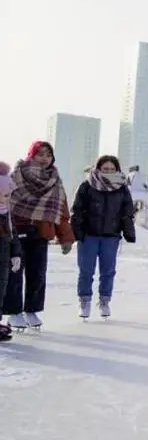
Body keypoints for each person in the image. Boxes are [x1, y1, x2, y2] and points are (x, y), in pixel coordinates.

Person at [3, 141, 75, 330]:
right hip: (16, 233)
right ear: (31, 155)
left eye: (48, 155)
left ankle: (31, 310)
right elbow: (4, 204)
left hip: (42, 232)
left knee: (37, 274)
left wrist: (65, 237)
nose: (44, 158)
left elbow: (61, 211)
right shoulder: (17, 175)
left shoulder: (55, 181)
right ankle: (14, 312)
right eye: (40, 154)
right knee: (14, 273)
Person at [70, 155, 136, 320]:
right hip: (89, 236)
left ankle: (104, 301)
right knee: (86, 271)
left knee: (108, 271)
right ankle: (84, 301)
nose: (108, 172)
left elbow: (127, 212)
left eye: (112, 169)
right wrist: (77, 232)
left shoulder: (121, 188)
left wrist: (128, 232)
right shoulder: (87, 186)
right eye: (105, 169)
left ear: (117, 170)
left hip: (110, 237)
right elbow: (77, 210)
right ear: (98, 169)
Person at [0, 162, 22, 341]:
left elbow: (13, 234)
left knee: (1, 289)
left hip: (3, 257)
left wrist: (16, 254)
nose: (3, 199)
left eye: (6, 195)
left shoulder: (6, 214)